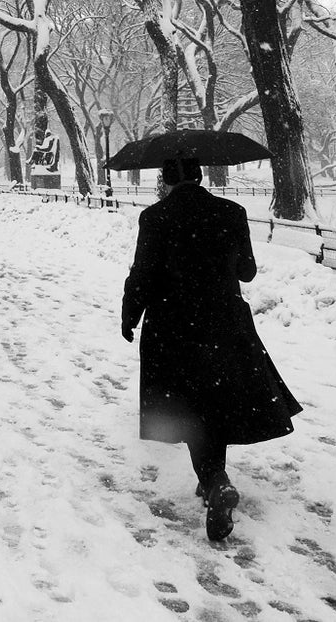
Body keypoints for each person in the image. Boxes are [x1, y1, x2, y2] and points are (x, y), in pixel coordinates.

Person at [121, 158, 300, 544]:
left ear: (166, 179)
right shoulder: (231, 212)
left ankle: (215, 480)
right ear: (200, 176)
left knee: (190, 408)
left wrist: (129, 315)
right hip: (225, 322)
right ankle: (212, 480)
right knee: (215, 401)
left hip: (174, 327)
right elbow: (247, 271)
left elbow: (144, 274)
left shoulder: (155, 218)